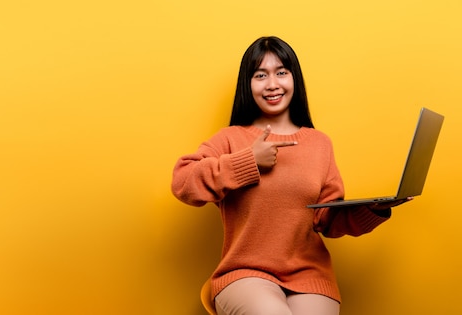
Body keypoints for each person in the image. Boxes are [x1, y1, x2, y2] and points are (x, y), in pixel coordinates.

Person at [171, 36, 411, 315]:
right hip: (245, 273)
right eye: (261, 75)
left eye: (281, 73)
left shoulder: (320, 144)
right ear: (248, 85)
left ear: (294, 79)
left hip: (310, 277)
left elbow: (328, 220)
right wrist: (249, 160)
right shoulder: (231, 138)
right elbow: (182, 182)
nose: (272, 84)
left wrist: (375, 210)